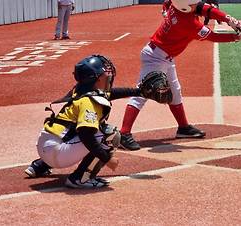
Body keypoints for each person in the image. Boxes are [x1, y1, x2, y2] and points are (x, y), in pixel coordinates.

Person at [117, 0, 241, 151]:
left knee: (175, 91)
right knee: (141, 93)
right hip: (155, 58)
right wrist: (236, 37)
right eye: (193, 1)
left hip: (164, 56)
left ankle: (183, 127)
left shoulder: (178, 4)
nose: (197, 2)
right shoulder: (188, 24)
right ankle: (124, 133)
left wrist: (228, 19)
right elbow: (213, 36)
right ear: (185, 6)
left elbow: (204, 8)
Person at [25, 55, 163, 188]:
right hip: (58, 153)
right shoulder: (90, 102)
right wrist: (107, 159)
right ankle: (80, 179)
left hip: (46, 146)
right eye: (104, 73)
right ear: (95, 78)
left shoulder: (81, 90)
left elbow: (112, 93)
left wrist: (138, 92)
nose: (109, 75)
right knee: (110, 134)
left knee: (76, 128)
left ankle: (40, 166)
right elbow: (86, 136)